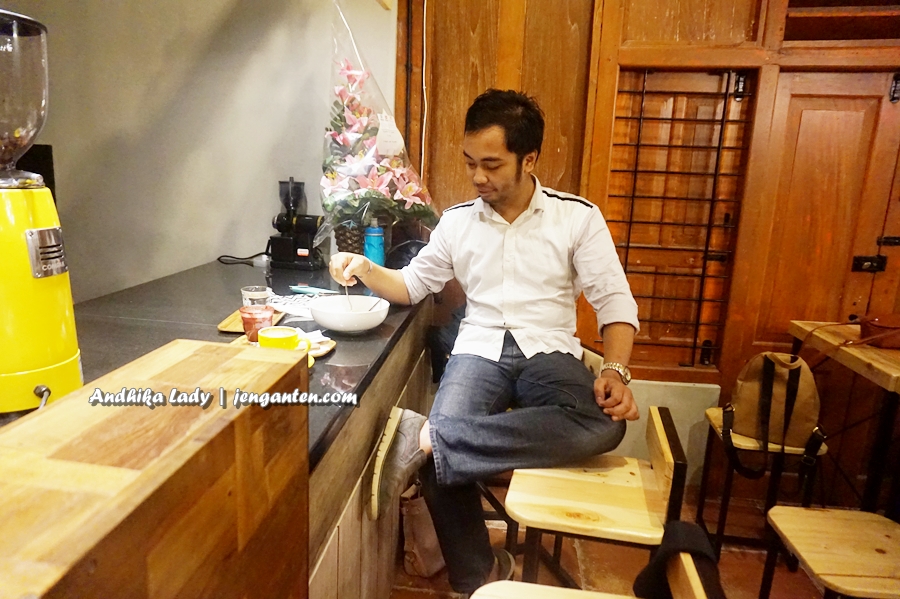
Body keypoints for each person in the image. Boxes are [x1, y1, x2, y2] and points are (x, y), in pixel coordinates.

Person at [328, 89, 640, 595]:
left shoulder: (577, 217)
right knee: (440, 466)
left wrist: (615, 370)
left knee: (604, 424)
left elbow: (615, 303)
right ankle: (480, 582)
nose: (477, 177)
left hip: (550, 350)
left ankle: (426, 438)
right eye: (470, 162)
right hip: (478, 350)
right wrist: (363, 267)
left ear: (529, 159)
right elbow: (411, 285)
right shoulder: (457, 222)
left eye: (491, 165)